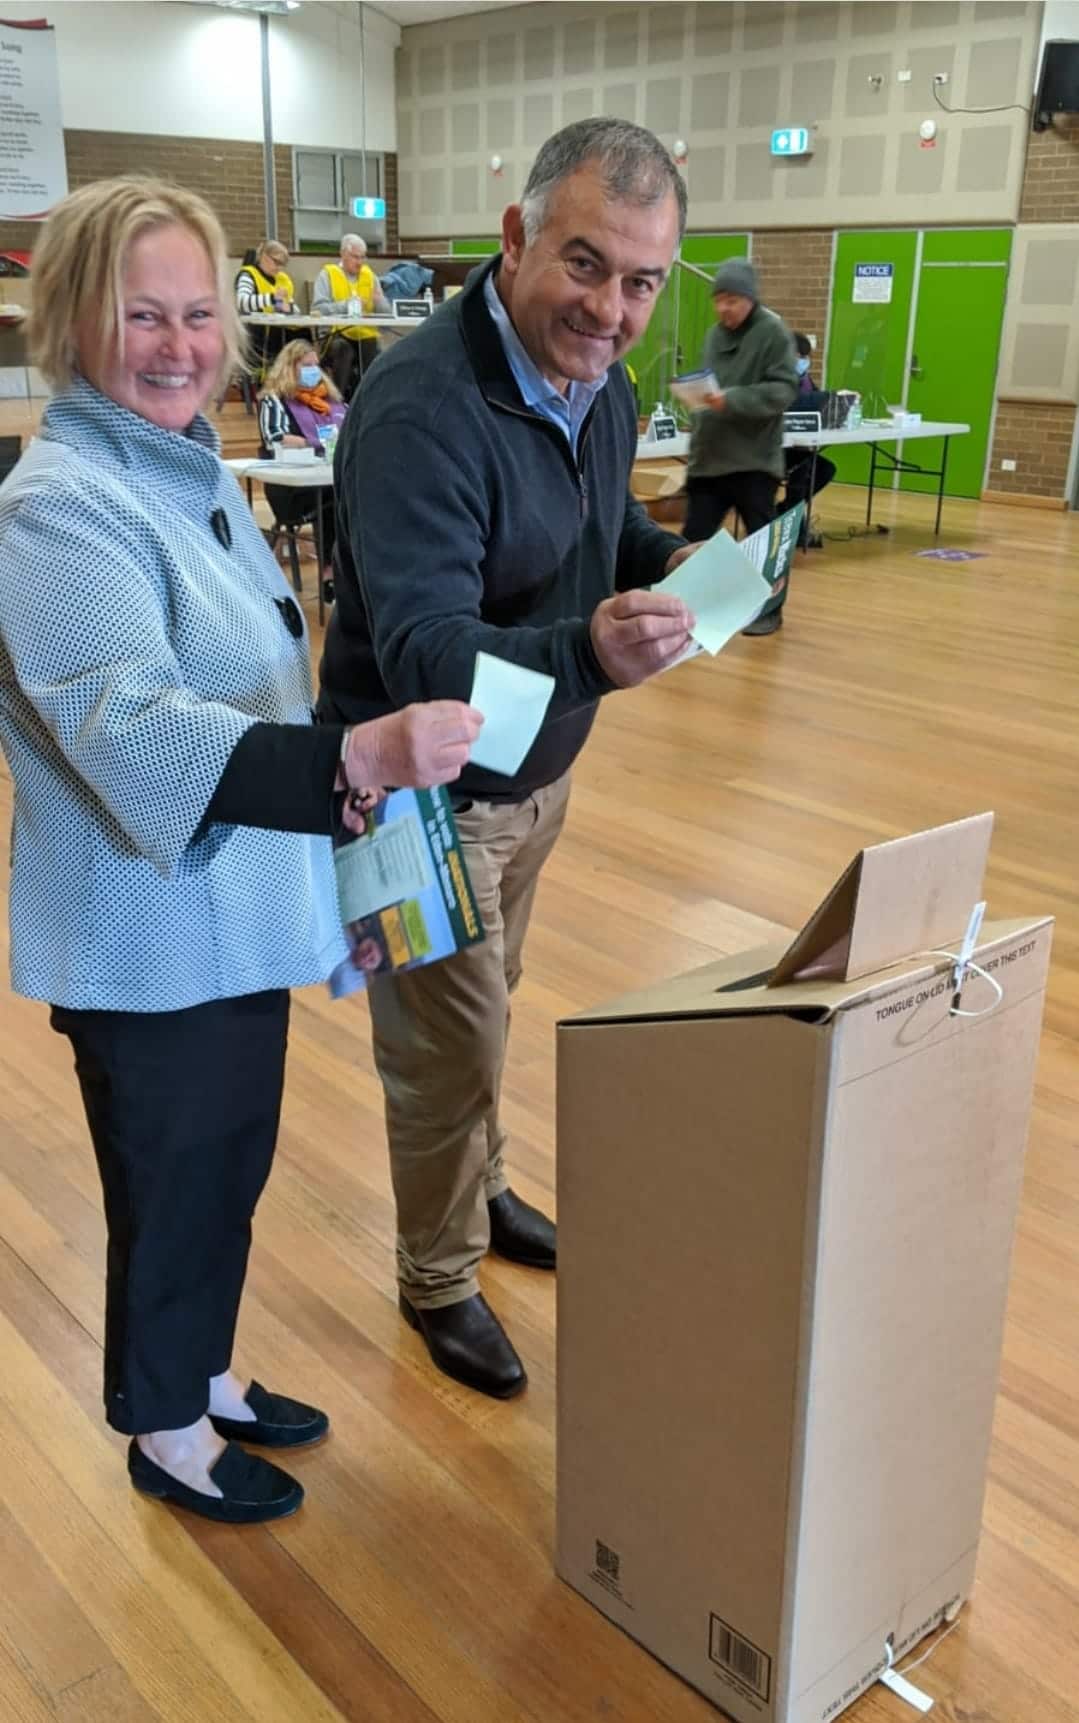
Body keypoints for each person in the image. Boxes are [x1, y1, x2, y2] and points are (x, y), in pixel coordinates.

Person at [0, 176, 481, 1524]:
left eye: (198, 313)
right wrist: (355, 761)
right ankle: (164, 1426)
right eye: (140, 314)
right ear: (72, 322)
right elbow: (129, 724)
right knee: (171, 1184)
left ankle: (201, 1371)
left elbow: (262, 682)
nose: (179, 345)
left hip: (230, 913)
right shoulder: (58, 506)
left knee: (224, 1167)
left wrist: (347, 815)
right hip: (147, 933)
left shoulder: (187, 465)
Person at [319, 118, 697, 1400]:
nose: (609, 310)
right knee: (445, 1051)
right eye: (584, 264)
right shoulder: (419, 408)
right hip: (413, 805)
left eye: (641, 282)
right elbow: (426, 654)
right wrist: (591, 652)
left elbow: (602, 523)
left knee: (487, 1011)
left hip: (534, 781)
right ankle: (435, 1277)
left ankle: (478, 1193)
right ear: (516, 236)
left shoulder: (599, 383)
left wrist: (670, 560)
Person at [684, 258, 798, 636]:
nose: (723, 308)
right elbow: (708, 384)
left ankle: (768, 610)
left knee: (764, 543)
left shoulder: (773, 333)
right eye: (718, 300)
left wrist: (730, 400)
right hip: (710, 457)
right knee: (692, 537)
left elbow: (783, 390)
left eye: (732, 300)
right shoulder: (713, 336)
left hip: (754, 460)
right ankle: (681, 607)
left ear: (750, 298)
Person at [258, 338, 347, 603]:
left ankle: (354, 574)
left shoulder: (330, 401)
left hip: (326, 479)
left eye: (315, 366)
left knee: (353, 496)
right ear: (290, 367)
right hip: (291, 489)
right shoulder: (275, 400)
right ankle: (330, 575)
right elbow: (275, 438)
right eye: (306, 366)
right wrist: (315, 442)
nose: (313, 371)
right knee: (335, 500)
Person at [312, 234, 391, 402]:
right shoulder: (327, 275)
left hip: (364, 335)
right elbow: (318, 309)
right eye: (355, 257)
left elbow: (386, 316)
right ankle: (337, 402)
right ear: (343, 254)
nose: (360, 262)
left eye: (363, 257)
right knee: (343, 350)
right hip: (334, 334)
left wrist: (380, 301)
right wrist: (347, 305)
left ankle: (367, 401)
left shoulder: (371, 277)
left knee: (374, 350)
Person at [783, 331, 837, 550]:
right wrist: (826, 396)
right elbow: (796, 403)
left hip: (798, 445)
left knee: (825, 469)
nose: (803, 360)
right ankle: (796, 528)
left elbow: (812, 403)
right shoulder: (779, 380)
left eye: (805, 356)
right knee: (802, 467)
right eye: (798, 356)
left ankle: (786, 511)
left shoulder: (805, 380)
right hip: (776, 449)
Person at [235, 239, 296, 375]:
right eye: (276, 262)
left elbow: (292, 308)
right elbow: (242, 302)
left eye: (283, 264)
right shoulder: (248, 275)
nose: (279, 268)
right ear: (264, 256)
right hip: (253, 338)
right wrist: (272, 298)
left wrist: (288, 308)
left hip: (276, 337)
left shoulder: (282, 280)